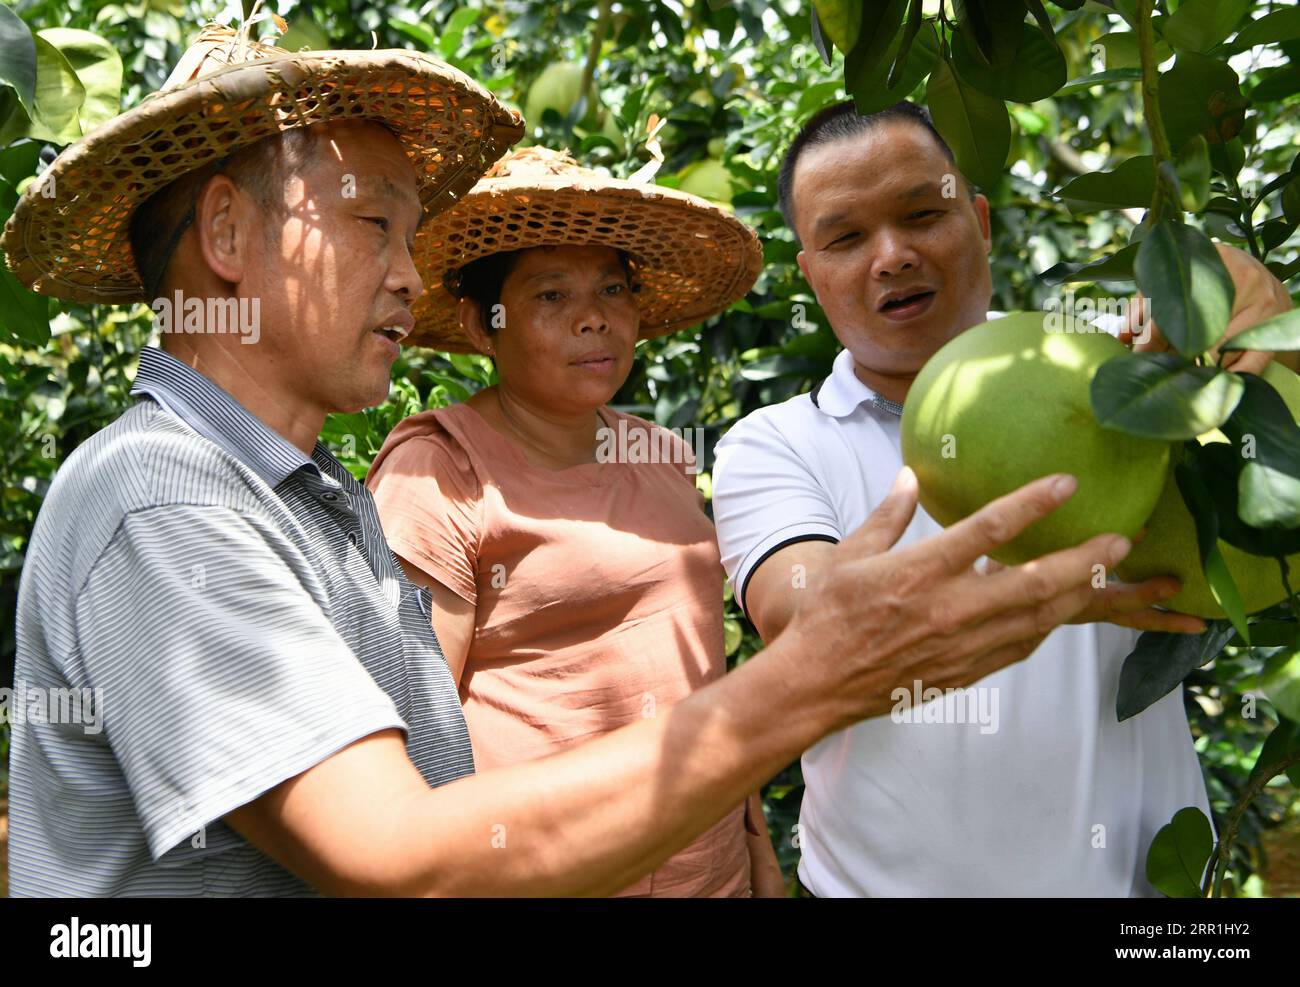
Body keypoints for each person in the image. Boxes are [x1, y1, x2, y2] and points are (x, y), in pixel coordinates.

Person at [2, 29, 1166, 897]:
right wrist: (819, 676)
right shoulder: (162, 498)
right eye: (375, 228)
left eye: (413, 239)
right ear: (224, 236)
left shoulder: (306, 503)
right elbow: (398, 858)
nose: (409, 276)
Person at [710, 99, 1296, 898]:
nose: (892, 256)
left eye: (923, 214)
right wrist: (1045, 593)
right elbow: (809, 622)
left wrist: (1260, 317)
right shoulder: (775, 445)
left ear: (980, 222)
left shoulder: (1117, 373)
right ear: (810, 272)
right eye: (846, 237)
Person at [363, 147, 782, 896]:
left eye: (613, 289)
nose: (594, 318)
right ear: (479, 322)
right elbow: (412, 736)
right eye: (551, 296)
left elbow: (699, 672)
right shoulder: (441, 470)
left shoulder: (658, 452)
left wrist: (755, 855)